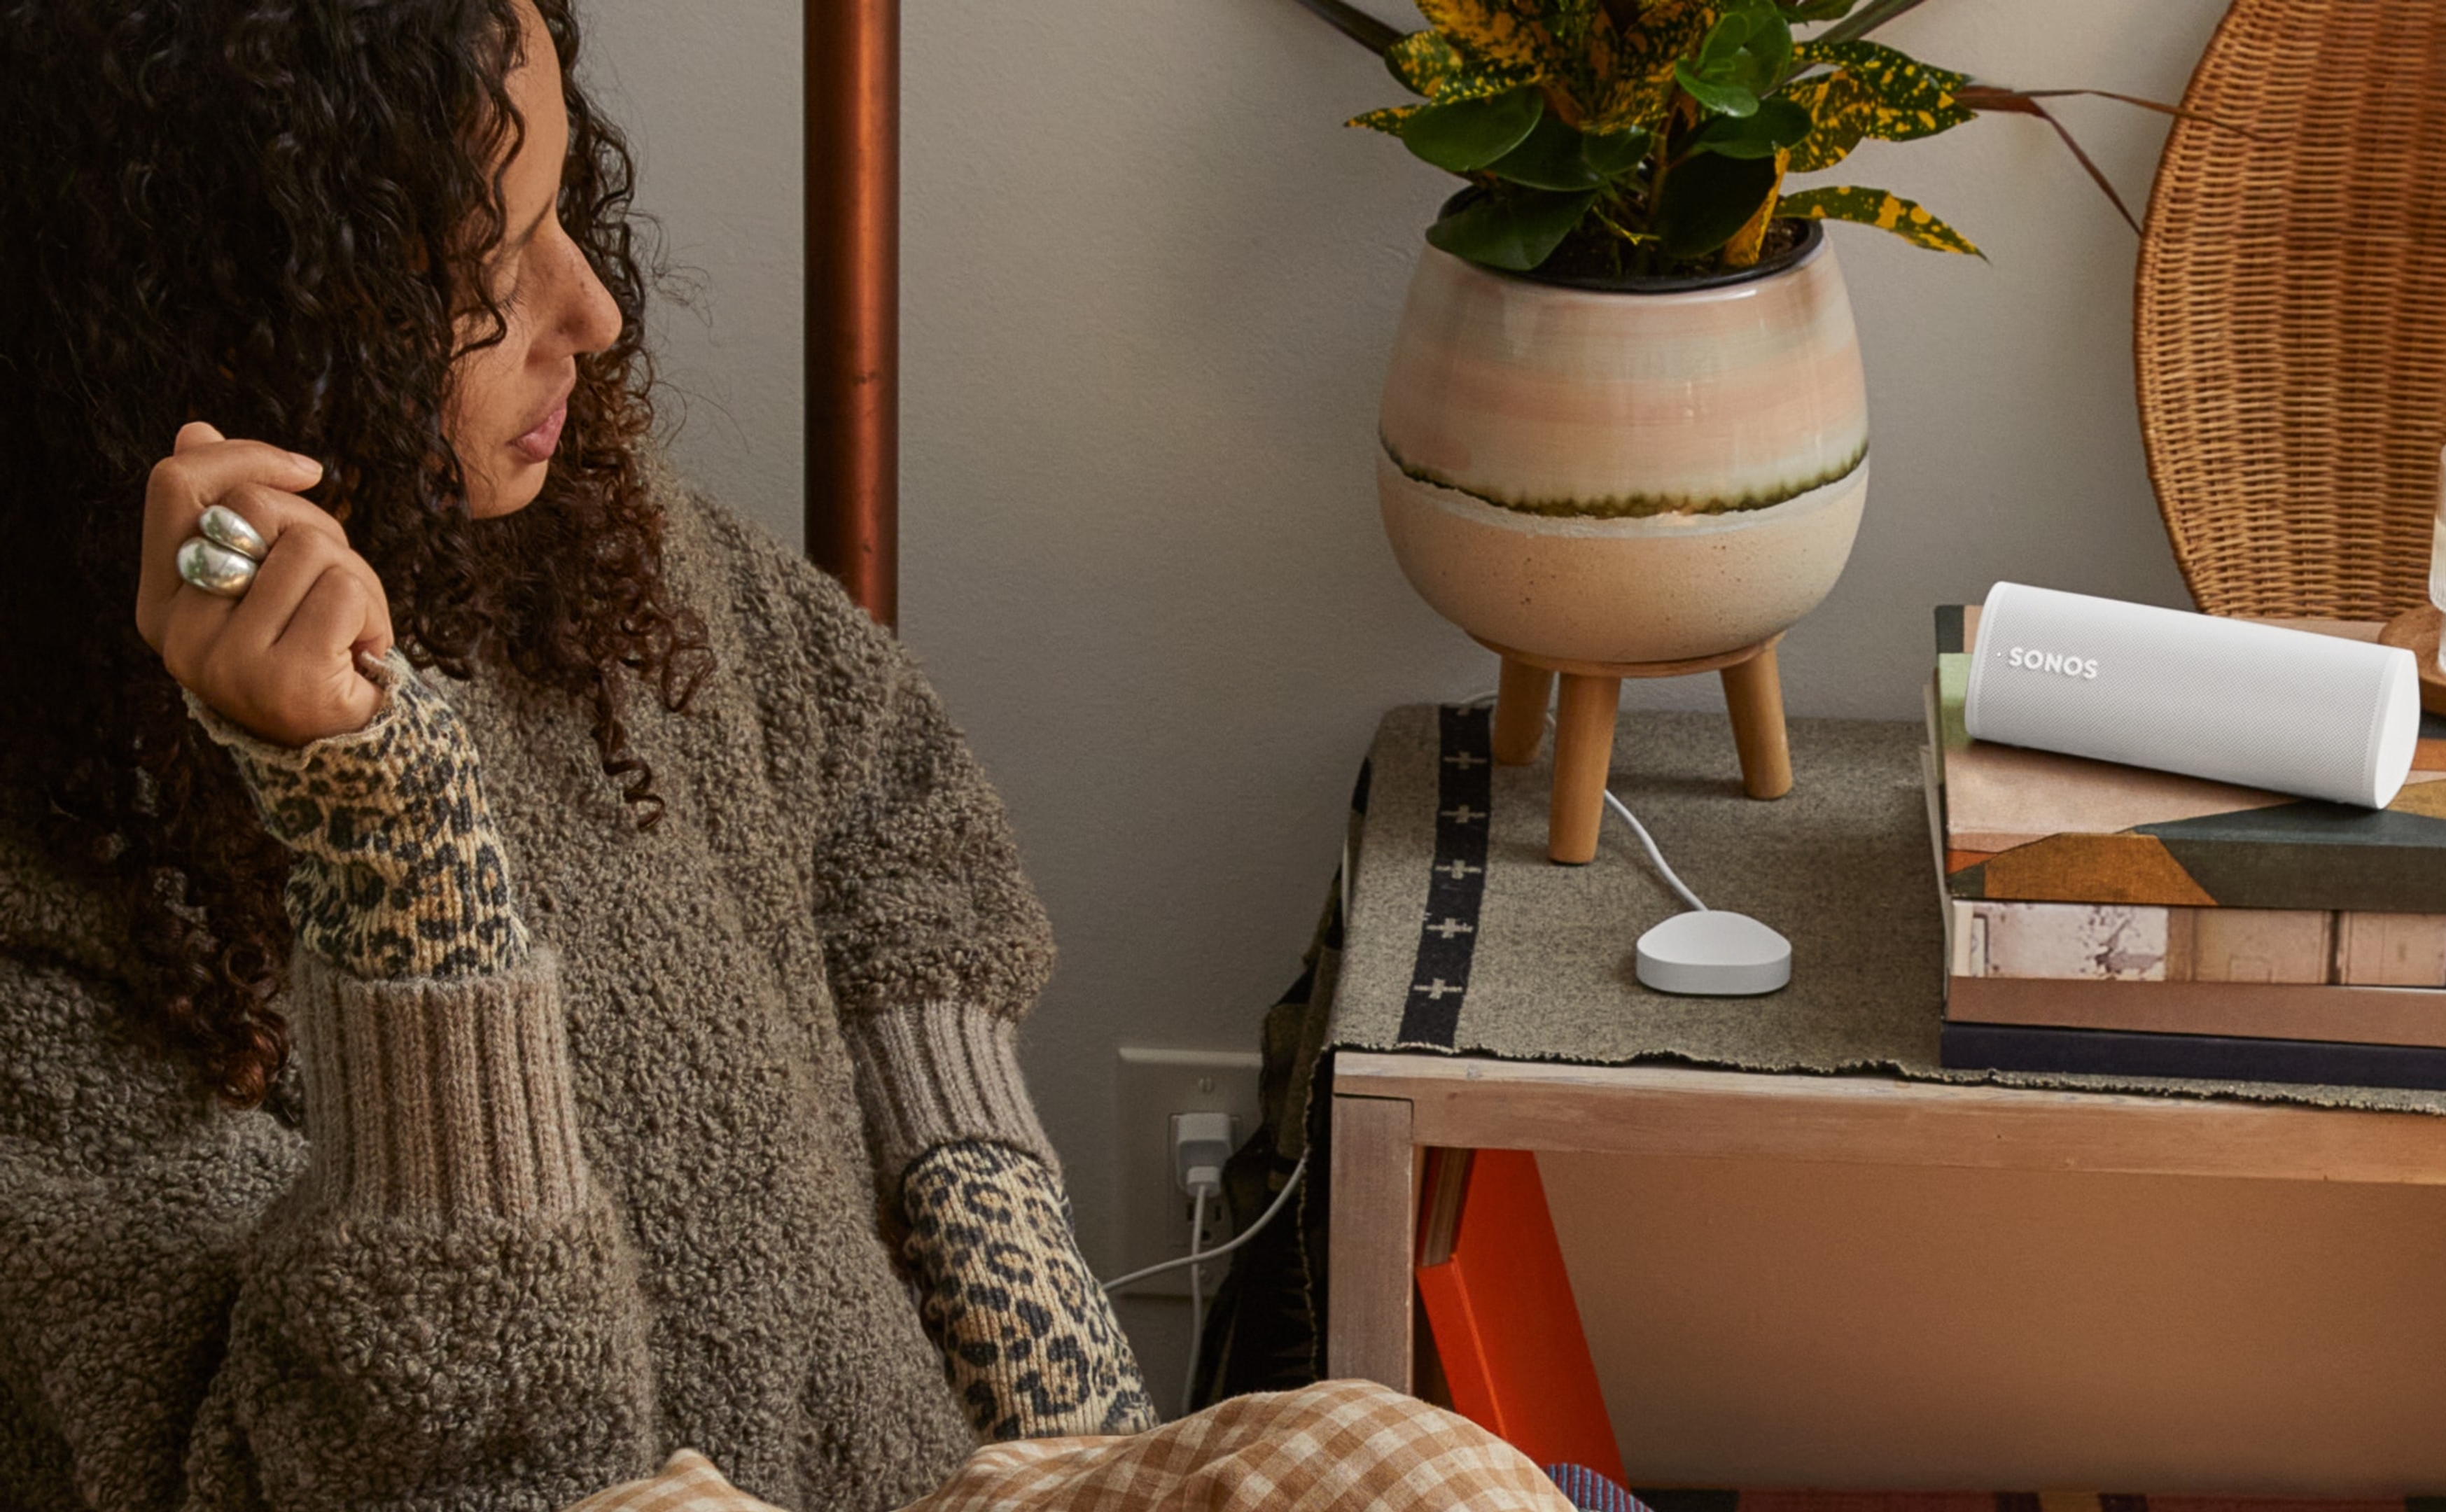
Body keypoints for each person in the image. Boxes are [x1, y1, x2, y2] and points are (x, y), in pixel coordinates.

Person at [0, 2, 1580, 1508]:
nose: (594, 312)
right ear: (226, 328)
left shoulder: (591, 549)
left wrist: (1001, 1254)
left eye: (566, 206)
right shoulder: (52, 934)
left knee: (1404, 1470)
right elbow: (440, 1476)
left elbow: (888, 803)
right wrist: (392, 856)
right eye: (484, 267)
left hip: (935, 1481)